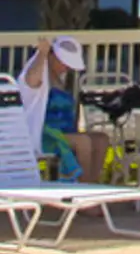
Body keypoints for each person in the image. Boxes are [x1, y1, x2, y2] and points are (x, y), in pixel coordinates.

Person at [17, 36, 109, 184]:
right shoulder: (38, 72)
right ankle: (84, 194)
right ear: (52, 56)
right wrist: (42, 53)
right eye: (64, 62)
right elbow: (31, 81)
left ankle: (91, 185)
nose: (67, 68)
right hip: (42, 135)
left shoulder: (61, 78)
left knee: (101, 139)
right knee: (83, 142)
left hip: (63, 133)